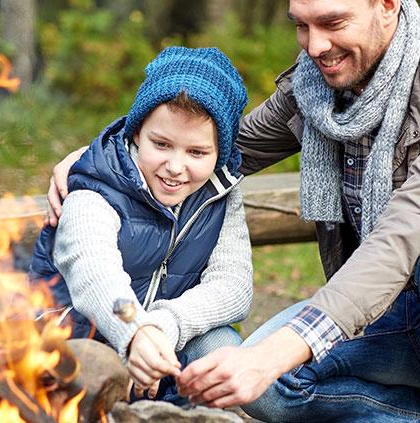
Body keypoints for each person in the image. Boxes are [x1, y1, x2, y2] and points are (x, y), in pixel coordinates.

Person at [46, 0, 420, 421]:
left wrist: (272, 355)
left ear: (388, 5)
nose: (315, 45)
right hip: (380, 315)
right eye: (302, 25)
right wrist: (108, 156)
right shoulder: (315, 86)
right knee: (245, 383)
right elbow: (222, 145)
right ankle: (417, 416)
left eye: (333, 23)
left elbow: (401, 240)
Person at [24, 46, 252, 403]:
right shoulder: (94, 190)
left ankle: (177, 406)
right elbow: (96, 273)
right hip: (74, 342)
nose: (176, 167)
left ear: (219, 153)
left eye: (196, 153)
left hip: (161, 341)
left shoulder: (218, 195)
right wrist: (135, 331)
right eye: (161, 144)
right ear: (136, 134)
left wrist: (163, 325)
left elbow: (233, 286)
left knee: (222, 344)